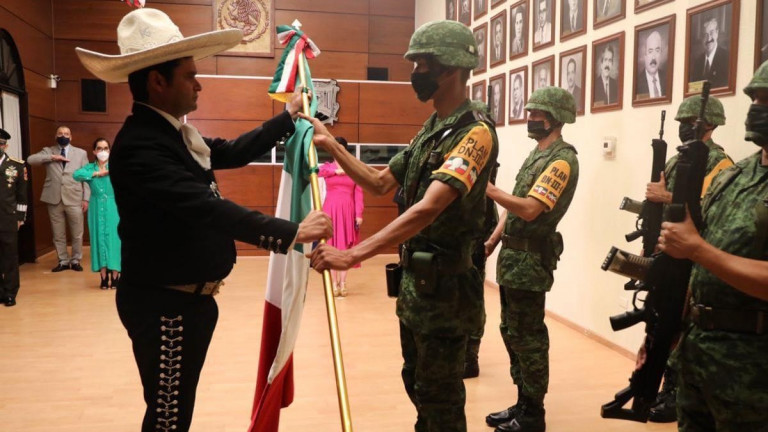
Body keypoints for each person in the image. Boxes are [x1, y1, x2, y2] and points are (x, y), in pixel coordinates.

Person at [74, 8, 332, 432]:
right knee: (168, 418)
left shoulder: (169, 133)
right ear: (158, 82)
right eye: (189, 75)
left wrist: (288, 119)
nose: (199, 84)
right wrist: (292, 232)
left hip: (185, 301)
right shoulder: (141, 146)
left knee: (175, 412)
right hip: (165, 307)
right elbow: (204, 207)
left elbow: (228, 150)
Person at [306, 20, 499, 432]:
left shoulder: (475, 134)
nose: (414, 74)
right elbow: (379, 183)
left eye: (421, 65)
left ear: (450, 68)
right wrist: (331, 144)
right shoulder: (429, 131)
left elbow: (427, 209)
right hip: (416, 287)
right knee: (416, 383)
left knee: (440, 399)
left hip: (447, 292)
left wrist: (352, 253)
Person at [649, 61, 768, 432]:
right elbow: (693, 268)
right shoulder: (738, 175)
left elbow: (697, 251)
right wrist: (664, 337)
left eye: (767, 100)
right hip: (699, 358)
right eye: (756, 99)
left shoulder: (723, 166)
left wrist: (698, 249)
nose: (757, 108)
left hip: (753, 372)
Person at [484, 87, 579, 432]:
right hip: (512, 258)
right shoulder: (537, 154)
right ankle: (522, 401)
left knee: (529, 337)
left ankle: (534, 413)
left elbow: (528, 208)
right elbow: (513, 209)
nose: (530, 119)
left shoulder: (561, 160)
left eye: (537, 113)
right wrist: (492, 242)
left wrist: (489, 189)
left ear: (555, 117)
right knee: (511, 331)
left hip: (529, 263)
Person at [642, 95, 733, 424]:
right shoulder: (676, 160)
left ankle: (674, 391)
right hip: (668, 250)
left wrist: (664, 196)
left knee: (680, 326)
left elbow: (709, 207)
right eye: (680, 123)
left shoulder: (720, 163)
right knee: (660, 319)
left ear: (709, 125)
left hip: (694, 255)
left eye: (689, 123)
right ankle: (658, 385)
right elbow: (659, 204)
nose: (683, 129)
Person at [27, 126, 90, 272]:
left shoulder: (81, 153)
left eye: (67, 133)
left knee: (77, 232)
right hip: (54, 198)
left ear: (71, 137)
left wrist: (86, 198)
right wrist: (52, 157)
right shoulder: (48, 151)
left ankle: (75, 260)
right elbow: (31, 160)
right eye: (60, 133)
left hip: (74, 197)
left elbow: (86, 177)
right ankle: (62, 261)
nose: (64, 135)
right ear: (56, 136)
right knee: (58, 233)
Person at [73, 138, 122, 290]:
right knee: (98, 237)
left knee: (114, 239)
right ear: (94, 151)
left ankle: (115, 275)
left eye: (106, 148)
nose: (103, 151)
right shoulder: (89, 168)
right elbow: (76, 175)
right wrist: (97, 173)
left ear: (110, 150)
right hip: (96, 205)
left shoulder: (116, 166)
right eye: (99, 148)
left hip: (113, 205)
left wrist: (108, 171)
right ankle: (103, 275)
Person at [318, 137, 364, 297]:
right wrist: (335, 171)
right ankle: (333, 284)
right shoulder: (327, 167)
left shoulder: (353, 168)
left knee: (345, 249)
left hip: (348, 211)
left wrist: (359, 214)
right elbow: (317, 172)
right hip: (330, 209)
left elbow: (359, 193)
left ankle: (343, 283)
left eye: (342, 148)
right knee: (331, 247)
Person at [0, 128, 27, 307]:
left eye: (1, 143)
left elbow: (22, 194)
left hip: (7, 217)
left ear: (6, 145)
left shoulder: (16, 165)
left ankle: (10, 292)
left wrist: (20, 216)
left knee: (9, 255)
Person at [689, 17, 729, 88]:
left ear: (717, 32)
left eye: (711, 32)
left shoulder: (727, 58)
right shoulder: (697, 63)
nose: (708, 38)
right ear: (701, 38)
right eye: (705, 34)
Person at [637, 30, 667, 99]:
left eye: (657, 51)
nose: (653, 57)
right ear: (645, 55)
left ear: (661, 54)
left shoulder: (667, 78)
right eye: (650, 51)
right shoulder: (637, 83)